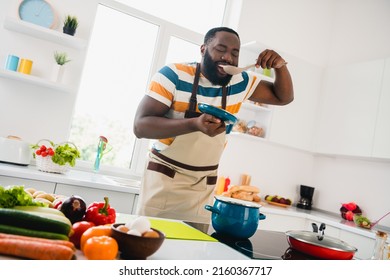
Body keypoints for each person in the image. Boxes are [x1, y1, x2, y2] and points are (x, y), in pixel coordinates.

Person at [133, 27, 294, 223]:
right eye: (221, 49)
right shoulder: (173, 75)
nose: (228, 57)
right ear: (203, 49)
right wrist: (194, 123)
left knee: (193, 250)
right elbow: (141, 126)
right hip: (164, 181)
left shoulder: (240, 82)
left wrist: (280, 66)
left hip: (204, 186)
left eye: (235, 53)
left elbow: (283, 97)